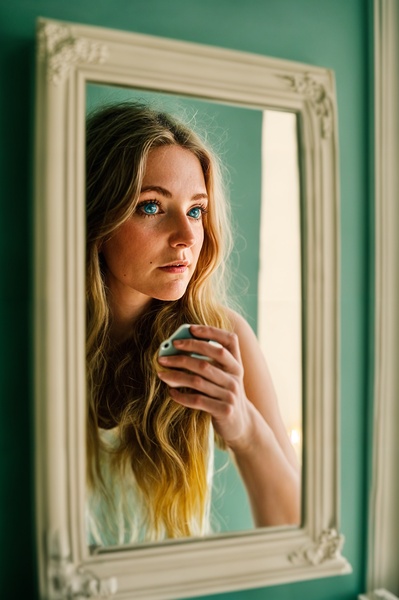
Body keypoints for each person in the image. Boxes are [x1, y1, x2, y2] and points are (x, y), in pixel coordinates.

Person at [85, 101, 300, 547]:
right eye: (151, 207)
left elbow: (300, 533)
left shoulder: (221, 337)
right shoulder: (38, 338)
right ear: (97, 218)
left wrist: (243, 425)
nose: (186, 235)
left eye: (197, 210)